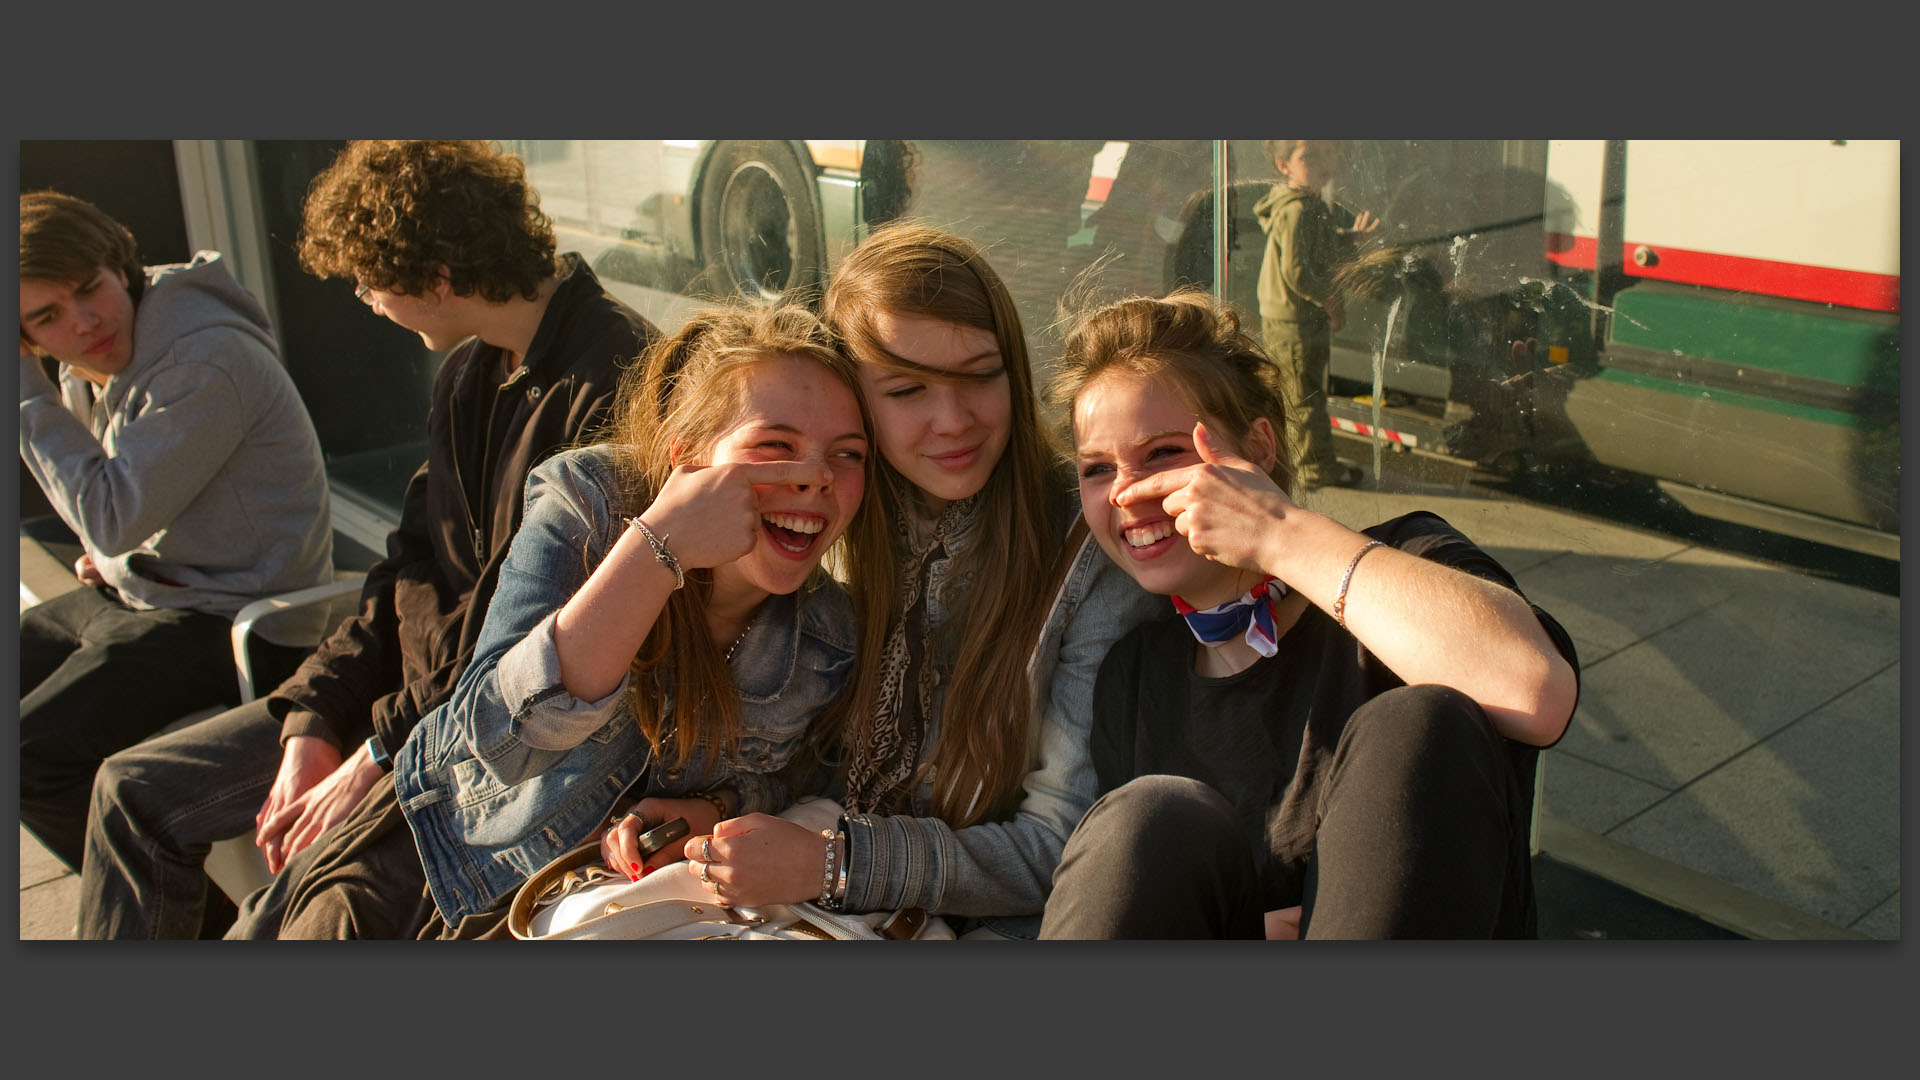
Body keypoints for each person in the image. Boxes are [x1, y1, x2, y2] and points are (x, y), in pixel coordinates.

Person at [77, 140, 657, 938]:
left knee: (291, 920)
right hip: (394, 710)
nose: (365, 301)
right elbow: (406, 569)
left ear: (437, 279)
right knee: (129, 792)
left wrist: (376, 754)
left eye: (369, 281)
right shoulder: (469, 373)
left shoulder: (616, 382)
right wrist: (316, 717)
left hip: (483, 742)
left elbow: (526, 644)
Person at [237, 304, 871, 938]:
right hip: (437, 869)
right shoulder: (590, 502)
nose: (816, 479)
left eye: (847, 455)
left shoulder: (827, 633)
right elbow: (494, 743)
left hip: (587, 912)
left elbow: (803, 775)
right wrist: (659, 549)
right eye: (775, 446)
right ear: (687, 461)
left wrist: (714, 808)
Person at [669, 223, 1163, 939]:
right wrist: (722, 810)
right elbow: (828, 766)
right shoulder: (835, 519)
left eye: (980, 375)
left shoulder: (1091, 552)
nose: (953, 420)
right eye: (907, 390)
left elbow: (1067, 848)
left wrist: (838, 865)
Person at [1038, 290, 1580, 939]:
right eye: (1098, 469)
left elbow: (1535, 690)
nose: (1127, 494)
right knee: (1146, 818)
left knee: (1418, 720)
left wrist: (1279, 533)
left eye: (1163, 454)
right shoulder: (1134, 674)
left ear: (1259, 448)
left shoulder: (1405, 563)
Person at [19, 191, 333, 872]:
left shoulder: (201, 358)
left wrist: (23, 393)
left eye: (89, 289)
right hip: (153, 590)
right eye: (48, 316)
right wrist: (114, 554)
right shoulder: (117, 355)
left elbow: (112, 512)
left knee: (27, 756)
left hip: (236, 617)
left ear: (117, 263)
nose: (86, 320)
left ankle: (175, 927)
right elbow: (121, 519)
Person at [1253, 139, 1379, 490]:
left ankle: (1318, 462)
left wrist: (1347, 238)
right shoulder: (1297, 209)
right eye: (1308, 157)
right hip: (1295, 321)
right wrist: (1330, 300)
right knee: (1304, 397)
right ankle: (1313, 469)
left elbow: (1314, 244)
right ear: (1283, 165)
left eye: (1327, 154)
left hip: (1297, 318)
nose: (1322, 164)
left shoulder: (1307, 205)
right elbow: (1297, 270)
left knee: (1307, 392)